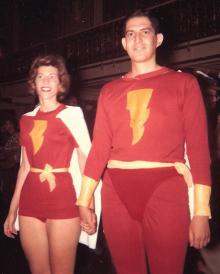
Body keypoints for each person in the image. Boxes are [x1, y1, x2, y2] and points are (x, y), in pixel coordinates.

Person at [76, 10, 212, 274]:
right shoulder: (109, 91)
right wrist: (83, 200)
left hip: (165, 188)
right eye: (130, 34)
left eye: (145, 32)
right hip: (116, 190)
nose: (137, 39)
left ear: (158, 39)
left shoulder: (184, 83)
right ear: (124, 43)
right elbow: (99, 148)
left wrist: (201, 211)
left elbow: (198, 151)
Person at [3, 54, 100, 274]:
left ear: (60, 83)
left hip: (64, 201)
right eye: (40, 76)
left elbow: (86, 165)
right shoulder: (26, 120)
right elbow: (25, 168)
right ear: (33, 83)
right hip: (30, 203)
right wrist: (12, 210)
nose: (45, 81)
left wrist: (88, 206)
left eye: (52, 76)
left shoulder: (72, 115)